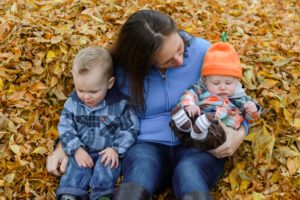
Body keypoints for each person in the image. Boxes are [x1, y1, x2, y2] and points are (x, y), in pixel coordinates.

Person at [47, 10, 249, 200]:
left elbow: (239, 97)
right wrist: (63, 147)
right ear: (143, 62)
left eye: (179, 48)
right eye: (167, 61)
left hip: (197, 140)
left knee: (190, 173)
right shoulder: (120, 70)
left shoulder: (205, 52)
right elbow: (85, 101)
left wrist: (239, 133)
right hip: (146, 145)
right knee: (139, 176)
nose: (179, 60)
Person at [55, 47, 139, 200]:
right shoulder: (73, 103)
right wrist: (76, 149)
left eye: (93, 92)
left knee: (107, 168)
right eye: (80, 90)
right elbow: (65, 127)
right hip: (82, 148)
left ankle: (102, 195)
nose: (86, 97)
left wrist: (115, 149)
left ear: (110, 83)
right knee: (75, 168)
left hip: (107, 152)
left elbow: (131, 128)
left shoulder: (119, 105)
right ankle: (70, 193)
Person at [170, 41, 261, 151]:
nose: (222, 87)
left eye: (228, 83)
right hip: (197, 121)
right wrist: (189, 105)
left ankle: (201, 134)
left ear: (237, 81)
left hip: (219, 128)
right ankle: (185, 126)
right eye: (216, 83)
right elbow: (189, 93)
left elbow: (251, 118)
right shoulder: (202, 88)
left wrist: (252, 110)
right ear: (205, 79)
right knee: (180, 115)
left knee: (217, 133)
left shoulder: (239, 98)